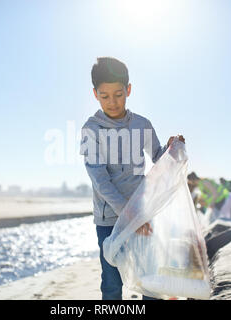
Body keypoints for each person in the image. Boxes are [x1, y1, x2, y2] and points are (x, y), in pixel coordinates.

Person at [79, 57, 184, 300]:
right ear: (95, 94)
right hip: (109, 221)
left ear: (128, 89)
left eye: (118, 94)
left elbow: (159, 159)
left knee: (151, 278)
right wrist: (128, 216)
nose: (112, 102)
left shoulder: (142, 125)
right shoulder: (91, 130)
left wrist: (171, 149)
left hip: (142, 214)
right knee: (112, 283)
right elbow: (100, 180)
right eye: (105, 96)